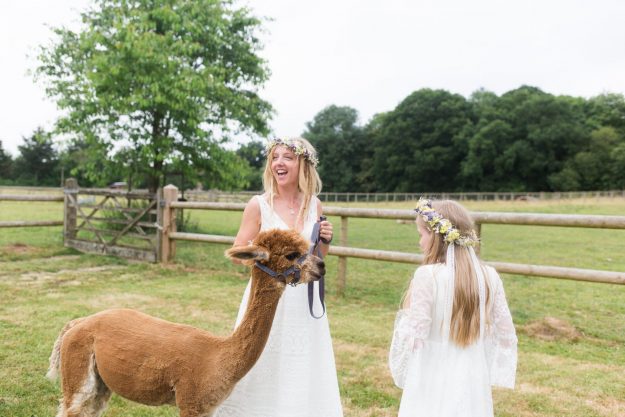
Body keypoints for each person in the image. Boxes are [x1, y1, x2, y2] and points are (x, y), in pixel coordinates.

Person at [215, 137, 343, 417]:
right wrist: (264, 251)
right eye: (275, 157)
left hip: (303, 301)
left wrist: (326, 240)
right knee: (260, 357)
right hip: (268, 296)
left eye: (288, 157)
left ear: (304, 164)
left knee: (302, 364)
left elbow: (317, 259)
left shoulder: (315, 205)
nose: (279, 163)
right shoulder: (259, 205)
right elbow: (237, 253)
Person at [389, 198, 517, 417]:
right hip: (473, 375)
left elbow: (413, 336)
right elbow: (506, 335)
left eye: (422, 235)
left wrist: (405, 319)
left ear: (437, 237)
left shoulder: (427, 276)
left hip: (433, 374)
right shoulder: (490, 276)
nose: (420, 243)